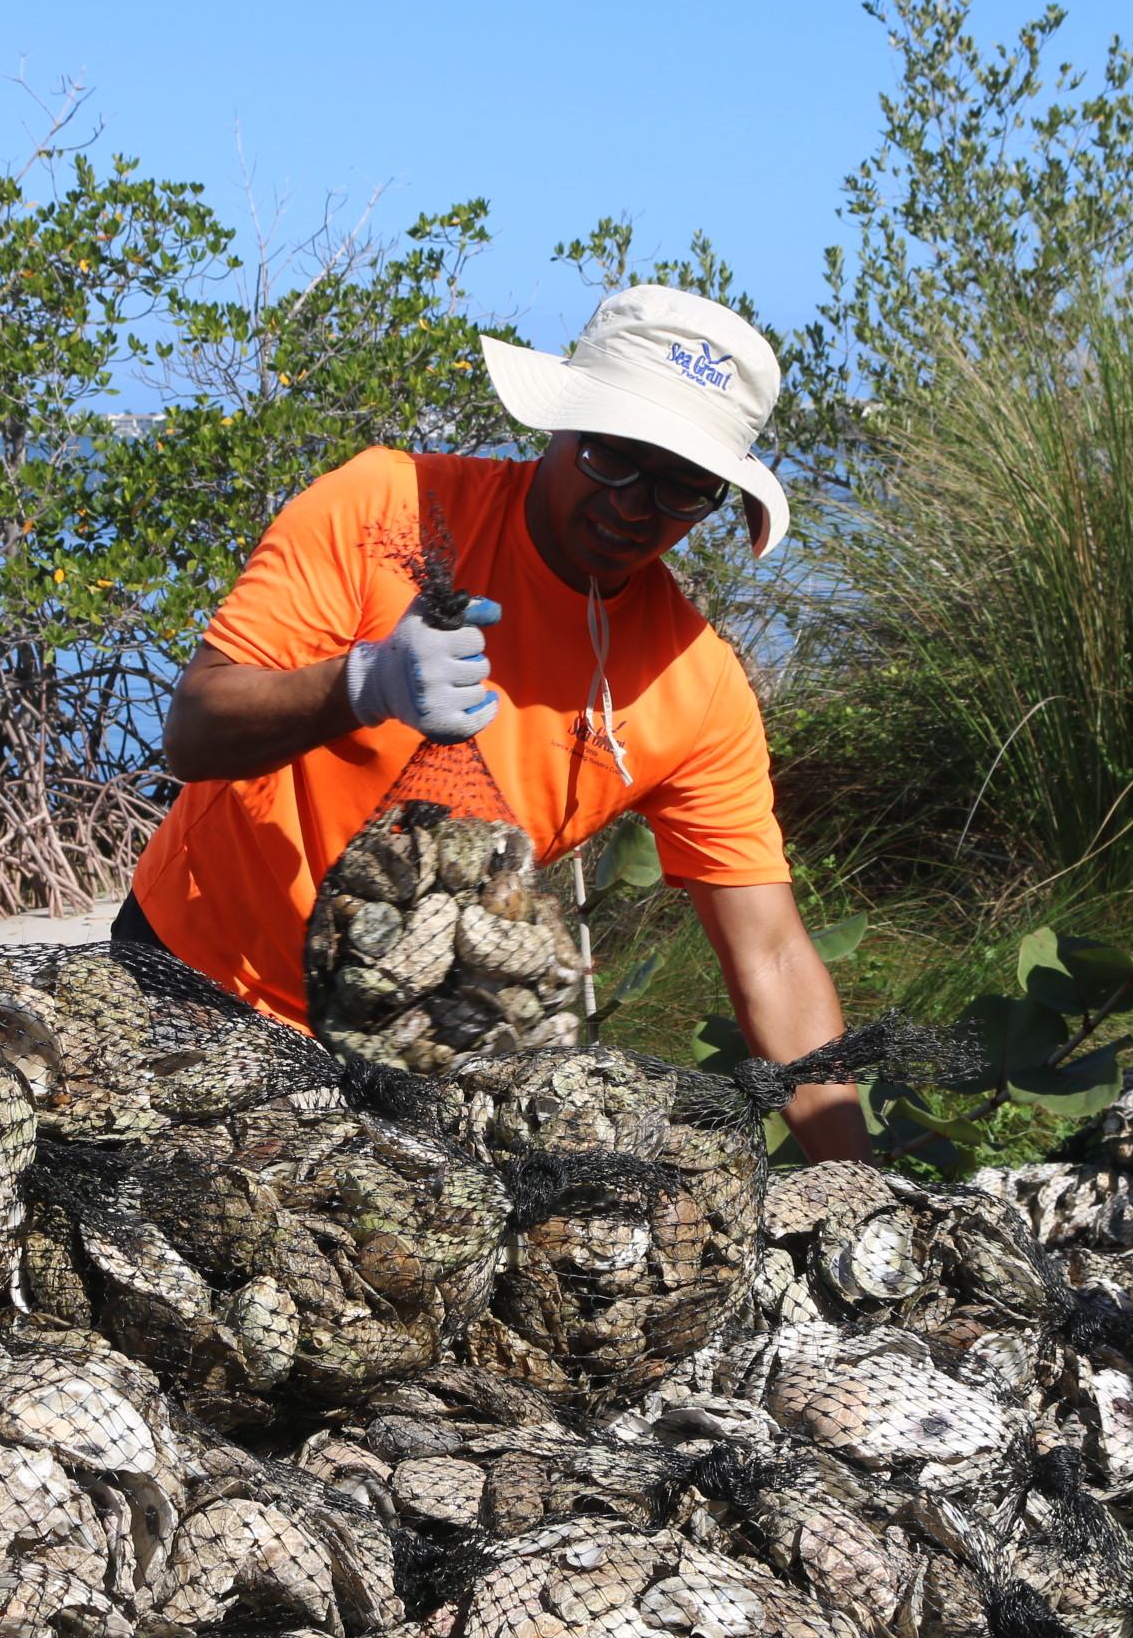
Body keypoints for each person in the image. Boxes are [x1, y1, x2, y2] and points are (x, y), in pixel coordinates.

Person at [116, 285, 863, 1162]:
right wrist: (361, 683)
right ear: (559, 425)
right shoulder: (386, 509)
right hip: (189, 974)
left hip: (405, 1050)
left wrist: (861, 1189)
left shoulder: (693, 685)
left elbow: (770, 952)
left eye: (679, 488)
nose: (630, 507)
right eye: (611, 459)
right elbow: (196, 731)